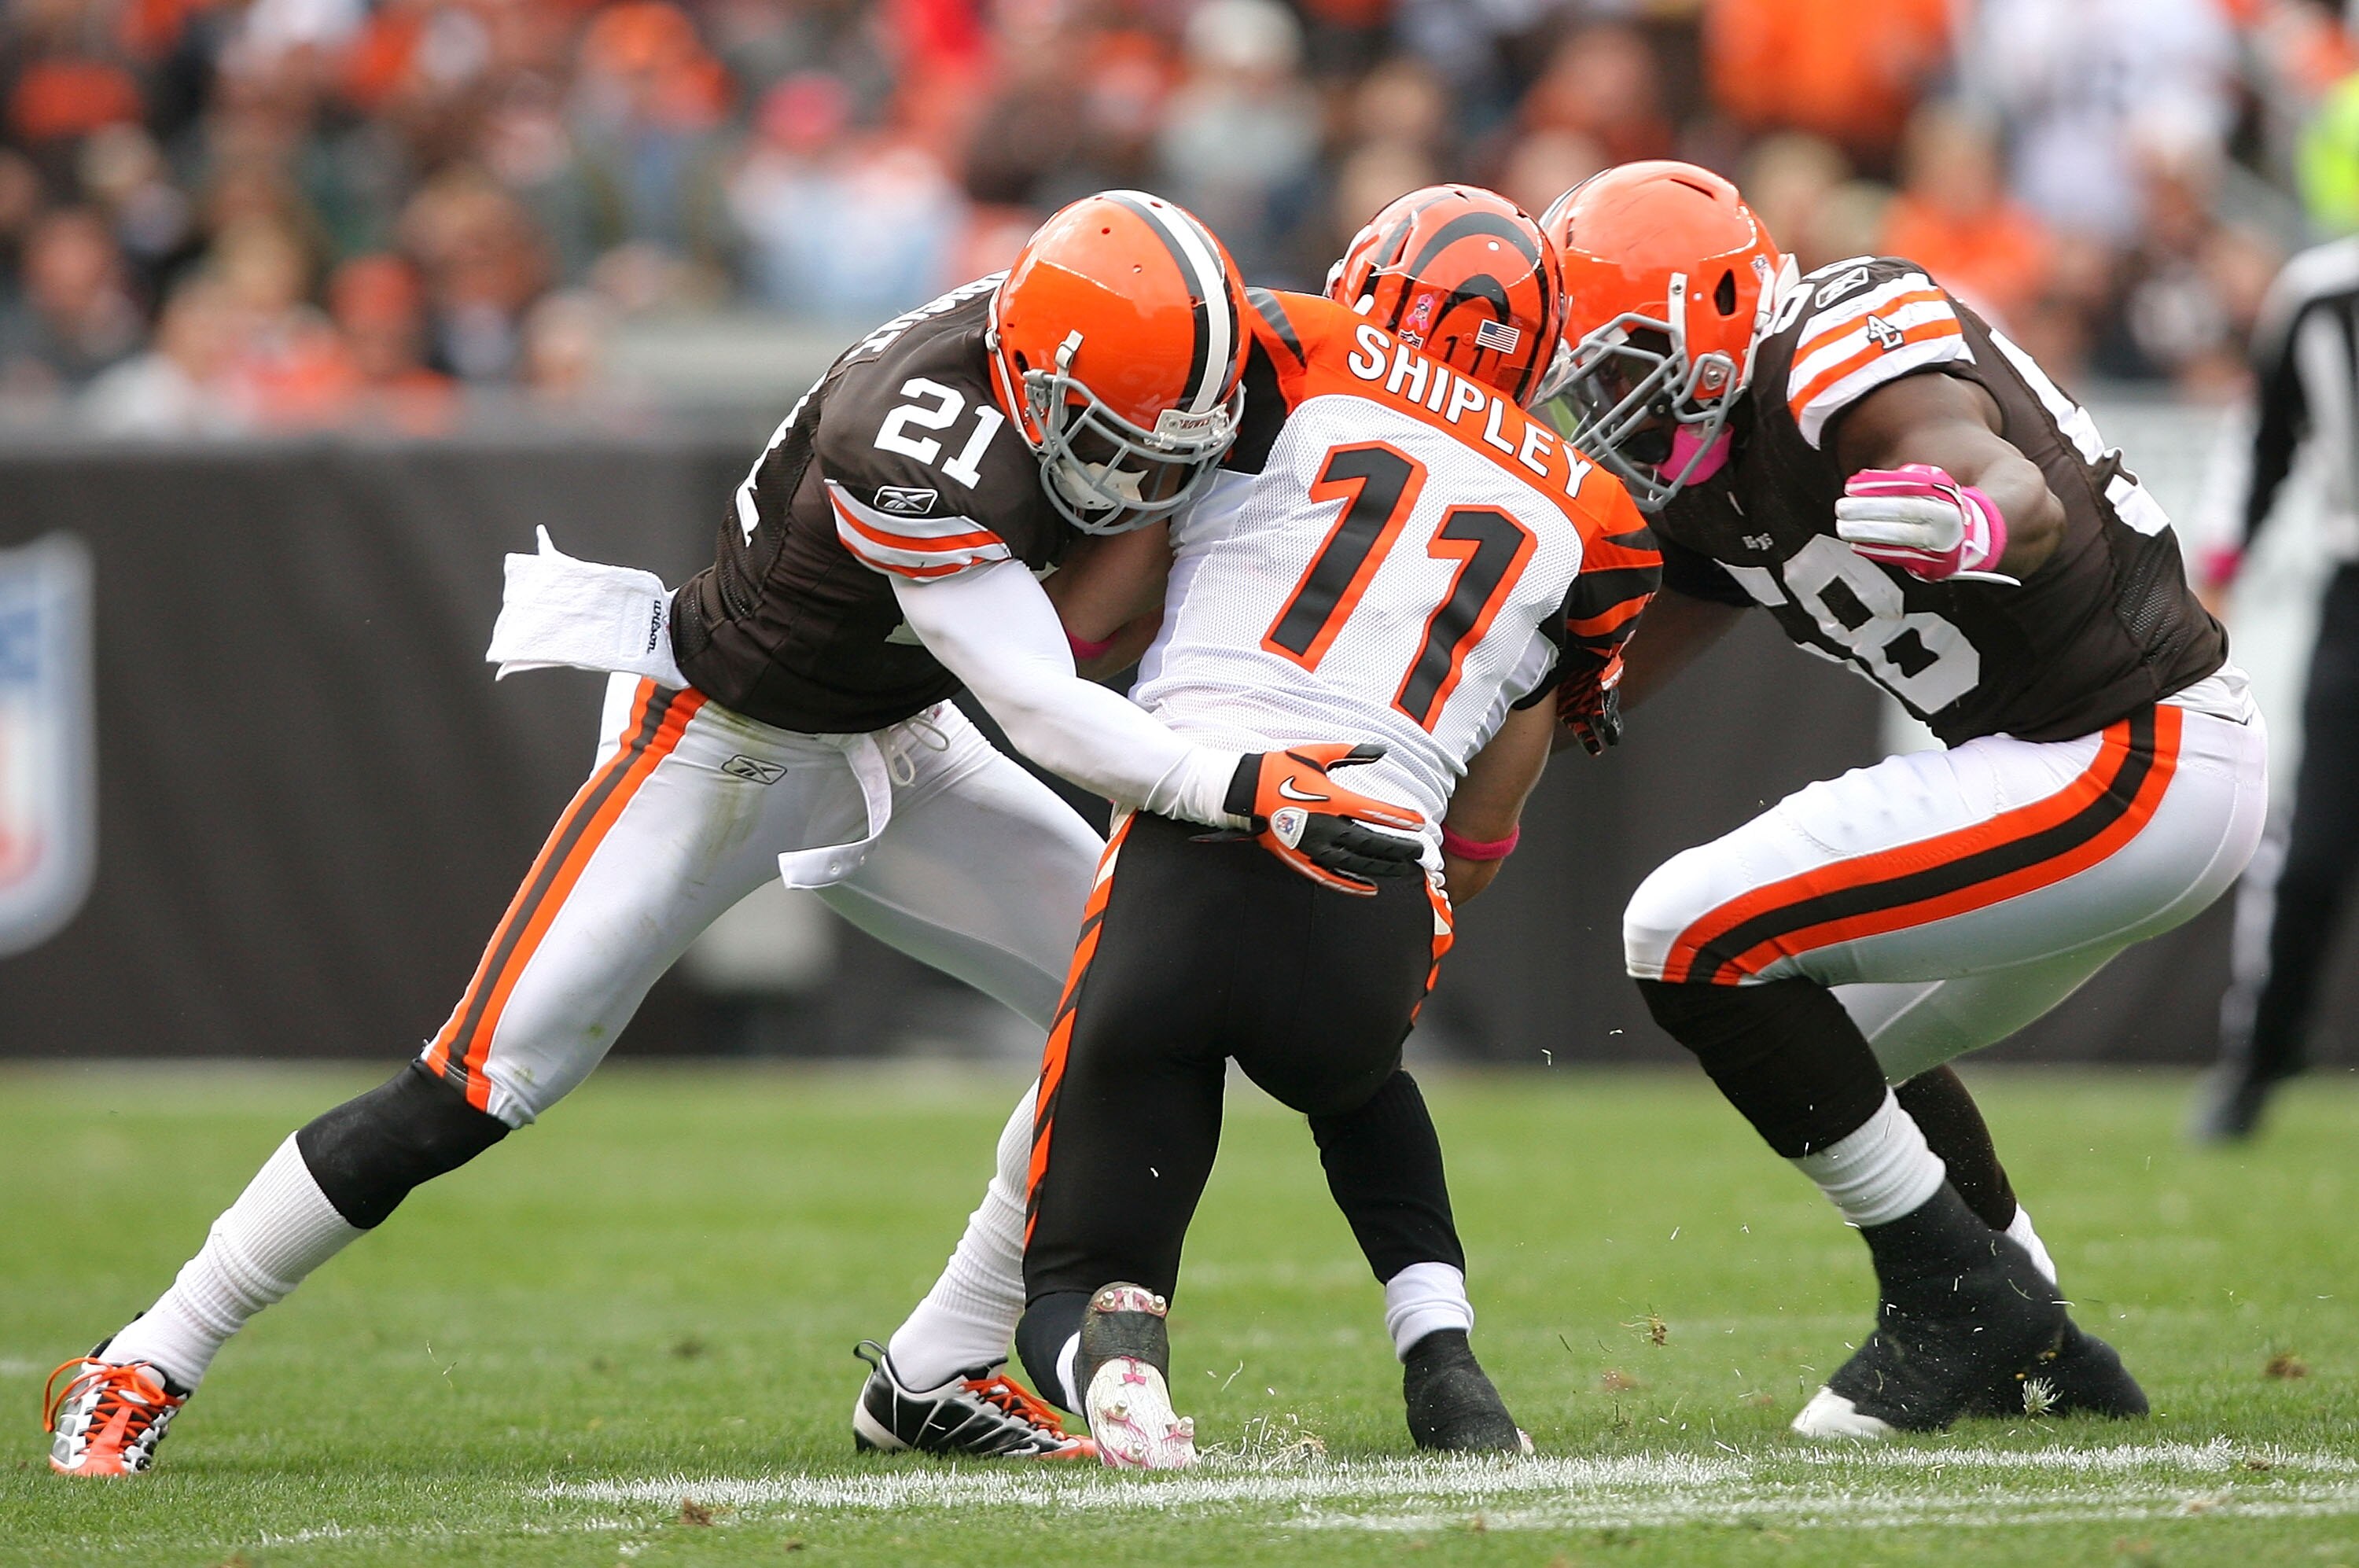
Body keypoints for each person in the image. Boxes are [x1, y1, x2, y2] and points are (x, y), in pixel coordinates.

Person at [42, 191, 1412, 1476]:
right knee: (476, 1080)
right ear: (1039, 384)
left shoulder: (1143, 343)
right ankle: (143, 1356)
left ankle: (932, 1368)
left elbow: (1354, 357)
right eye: (1116, 440)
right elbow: (1042, 702)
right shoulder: (916, 432)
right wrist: (1247, 783)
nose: (1140, 474)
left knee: (1124, 1015)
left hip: (899, 740)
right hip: (720, 742)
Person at [1539, 161, 2267, 1439]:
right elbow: (1649, 629)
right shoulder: (1704, 471)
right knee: (1834, 1049)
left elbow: (2006, 487)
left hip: (2127, 746)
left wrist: (1964, 518)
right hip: (2084, 769)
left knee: (1689, 929)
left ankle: (1949, 1294)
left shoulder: (1834, 335)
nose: (1601, 403)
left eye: (1620, 364)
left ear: (1712, 313)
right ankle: (2035, 1333)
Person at [1005, 190, 1657, 1469]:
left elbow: (1090, 616)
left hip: (1197, 822)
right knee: (1358, 1080)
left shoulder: (1288, 344)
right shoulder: (1598, 517)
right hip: (1379, 875)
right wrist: (1435, 899)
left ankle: (1122, 1357)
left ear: (1384, 282)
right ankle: (1448, 1364)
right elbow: (1489, 811)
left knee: (1072, 1268)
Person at [2192, 236, 2359, 1139]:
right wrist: (2223, 564)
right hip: (2355, 589)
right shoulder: (2318, 294)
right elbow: (2266, 440)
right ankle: (2263, 1056)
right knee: (2318, 852)